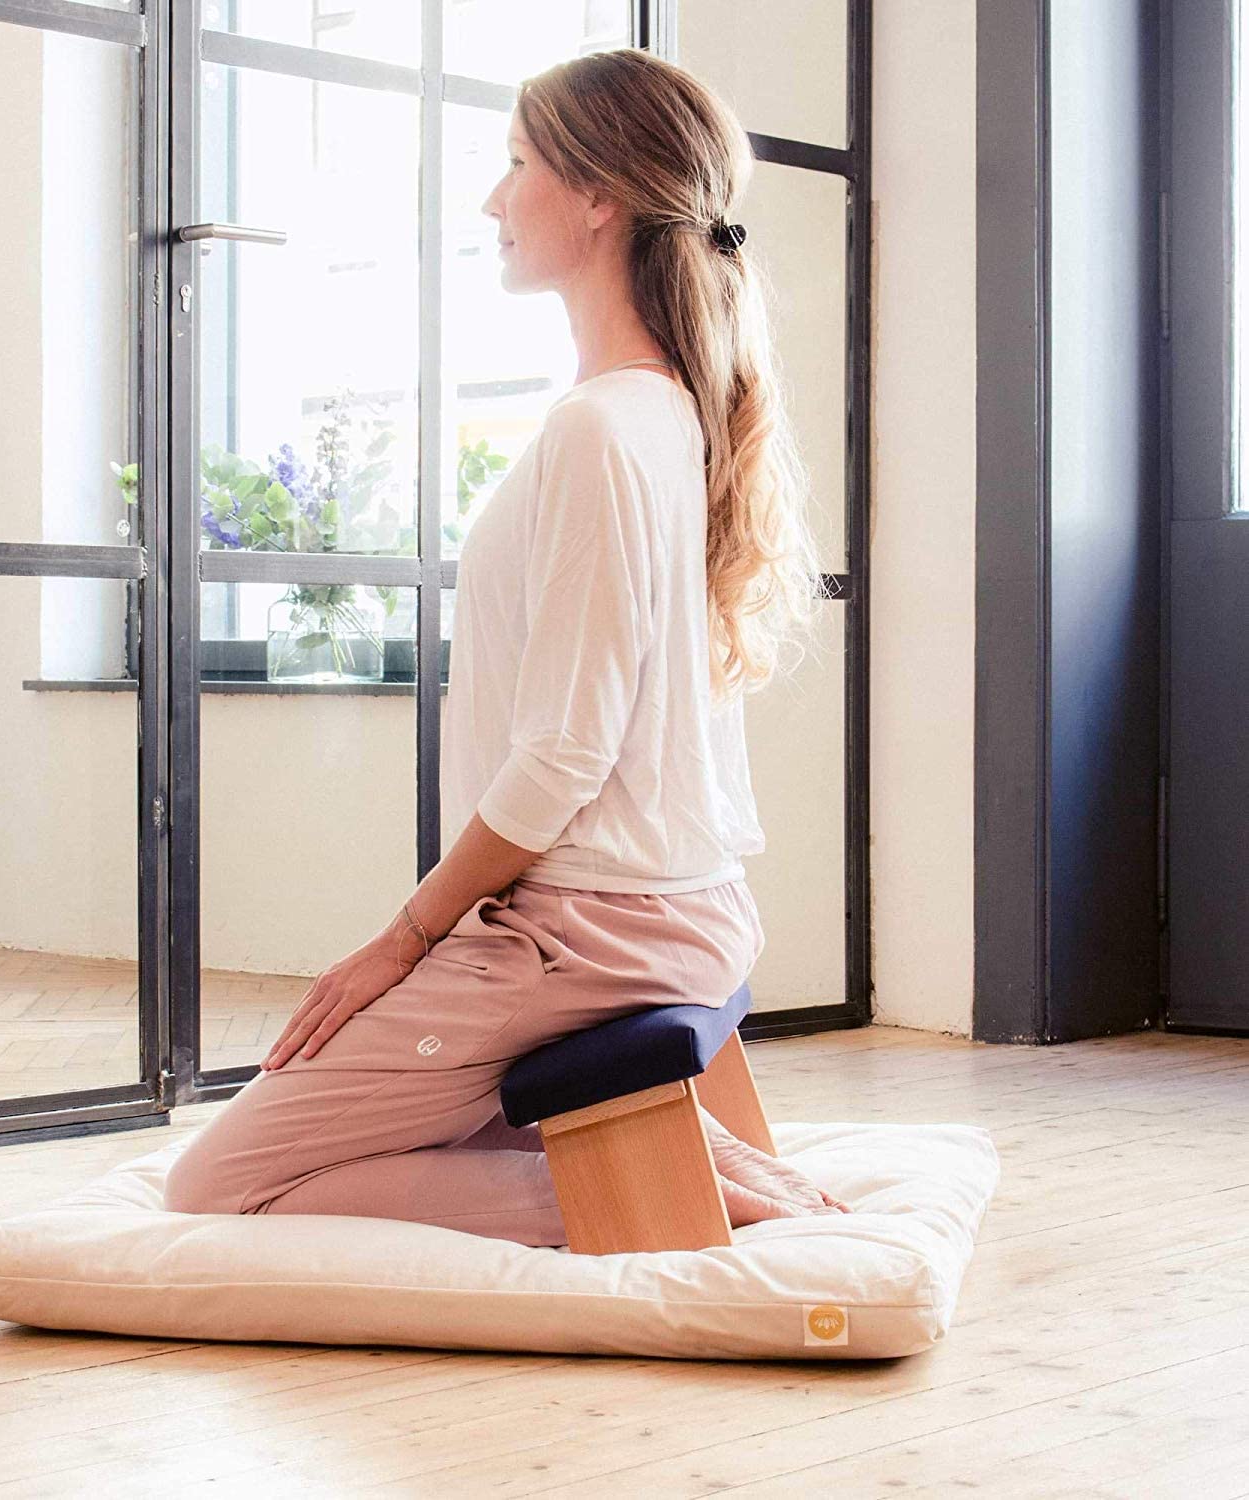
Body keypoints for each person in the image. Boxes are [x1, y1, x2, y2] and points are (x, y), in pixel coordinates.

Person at [162, 47, 844, 1242]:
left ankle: (674, 1194)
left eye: (516, 164)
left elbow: (563, 754)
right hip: (664, 910)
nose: (492, 199)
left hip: (589, 930)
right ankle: (685, 1167)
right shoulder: (669, 412)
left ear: (599, 198)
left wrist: (401, 940)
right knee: (378, 1120)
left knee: (216, 1183)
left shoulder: (600, 429)